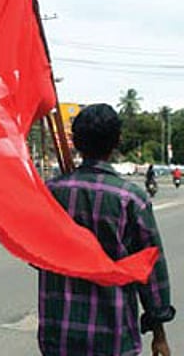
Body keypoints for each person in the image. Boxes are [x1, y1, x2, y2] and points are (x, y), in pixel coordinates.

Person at [39, 104, 175, 356]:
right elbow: (151, 270)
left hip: (58, 336)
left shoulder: (49, 194)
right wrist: (159, 333)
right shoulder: (130, 198)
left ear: (76, 142)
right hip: (113, 338)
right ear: (117, 142)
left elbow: (37, 258)